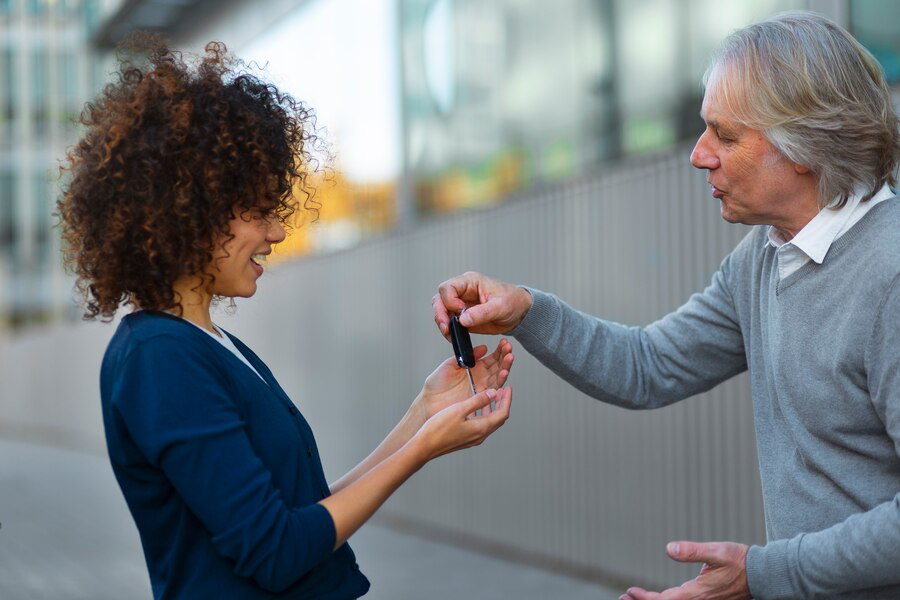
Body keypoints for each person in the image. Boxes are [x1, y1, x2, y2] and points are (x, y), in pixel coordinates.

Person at [433, 12, 899, 600]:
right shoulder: (763, 256)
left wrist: (762, 574)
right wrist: (526, 310)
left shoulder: (890, 275)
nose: (698, 154)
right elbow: (646, 366)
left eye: (725, 136)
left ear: (804, 145)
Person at [58, 37, 513, 599]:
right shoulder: (160, 359)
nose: (276, 232)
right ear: (192, 209)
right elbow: (274, 554)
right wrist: (423, 448)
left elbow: (306, 517)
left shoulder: (211, 344)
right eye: (258, 209)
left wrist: (425, 414)